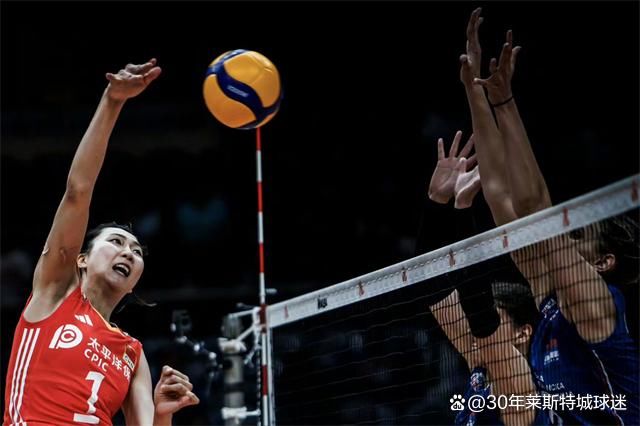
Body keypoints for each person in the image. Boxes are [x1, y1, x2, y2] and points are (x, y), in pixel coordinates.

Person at [461, 7, 639, 424]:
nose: (562, 235)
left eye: (575, 235)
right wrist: (475, 90)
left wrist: (504, 102)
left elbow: (534, 212)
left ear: (603, 261)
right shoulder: (549, 300)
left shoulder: (596, 305)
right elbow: (501, 198)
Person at [3, 59, 200, 425]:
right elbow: (78, 191)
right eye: (117, 242)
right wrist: (113, 100)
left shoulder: (132, 354)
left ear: (135, 283)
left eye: (137, 251)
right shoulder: (56, 292)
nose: (129, 252)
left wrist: (163, 413)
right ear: (80, 259)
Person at [423, 131, 539, 425]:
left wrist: (463, 209)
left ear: (522, 333)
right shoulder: (480, 368)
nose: (472, 328)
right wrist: (437, 202)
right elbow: (430, 287)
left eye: (495, 317)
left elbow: (479, 312)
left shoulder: (521, 388)